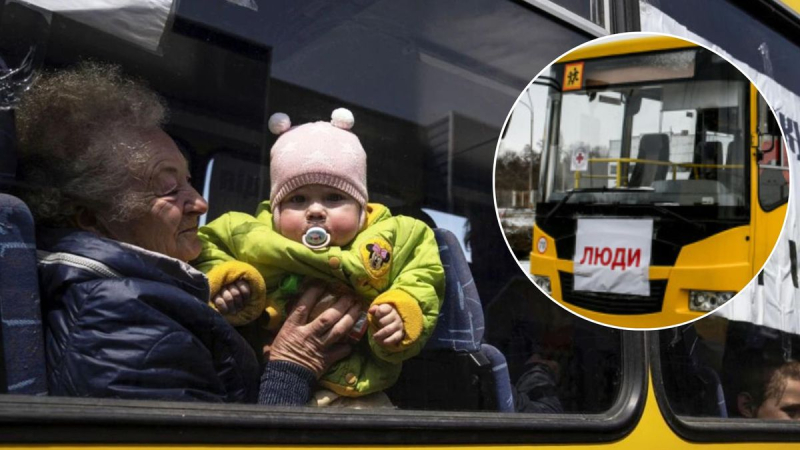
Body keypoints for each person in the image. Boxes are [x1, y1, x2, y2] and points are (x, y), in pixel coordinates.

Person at [14, 62, 359, 403]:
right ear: (90, 217)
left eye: (189, 181)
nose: (200, 203)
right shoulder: (116, 325)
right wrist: (291, 367)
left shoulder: (137, 296)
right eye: (168, 189)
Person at [194, 109, 444, 406]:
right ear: (275, 212)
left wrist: (400, 309)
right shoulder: (250, 234)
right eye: (297, 200)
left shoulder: (394, 235)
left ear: (362, 209)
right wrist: (230, 279)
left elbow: (422, 273)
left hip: (357, 386)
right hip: (264, 379)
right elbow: (206, 248)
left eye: (334, 198)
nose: (315, 210)